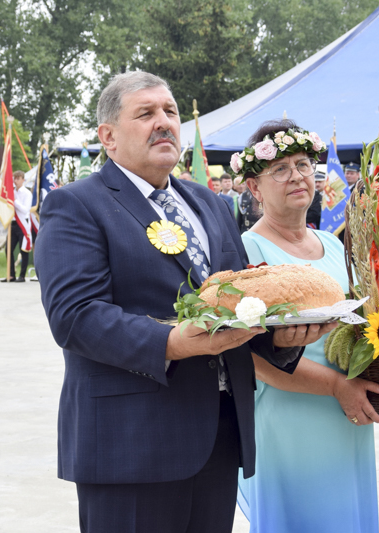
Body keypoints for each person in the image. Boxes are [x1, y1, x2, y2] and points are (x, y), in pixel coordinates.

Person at [34, 71, 330, 533]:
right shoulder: (76, 205)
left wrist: (285, 340)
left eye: (170, 111)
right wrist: (173, 342)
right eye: (146, 113)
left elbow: (240, 301)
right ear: (107, 136)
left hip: (218, 437)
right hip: (130, 445)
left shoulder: (209, 203)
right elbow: (75, 317)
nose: (165, 122)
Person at [232, 119, 379, 533]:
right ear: (254, 188)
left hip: (347, 411)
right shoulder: (248, 248)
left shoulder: (332, 243)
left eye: (302, 164)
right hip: (291, 413)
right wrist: (335, 385)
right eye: (279, 169)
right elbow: (251, 355)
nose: (297, 176)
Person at [2, 171, 32, 282]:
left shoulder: (27, 193)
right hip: (13, 223)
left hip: (23, 223)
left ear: (23, 180)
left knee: (23, 249)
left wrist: (14, 201)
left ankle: (22, 275)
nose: (16, 181)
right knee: (8, 249)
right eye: (15, 178)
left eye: (18, 178)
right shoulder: (11, 192)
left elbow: (25, 209)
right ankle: (11, 274)